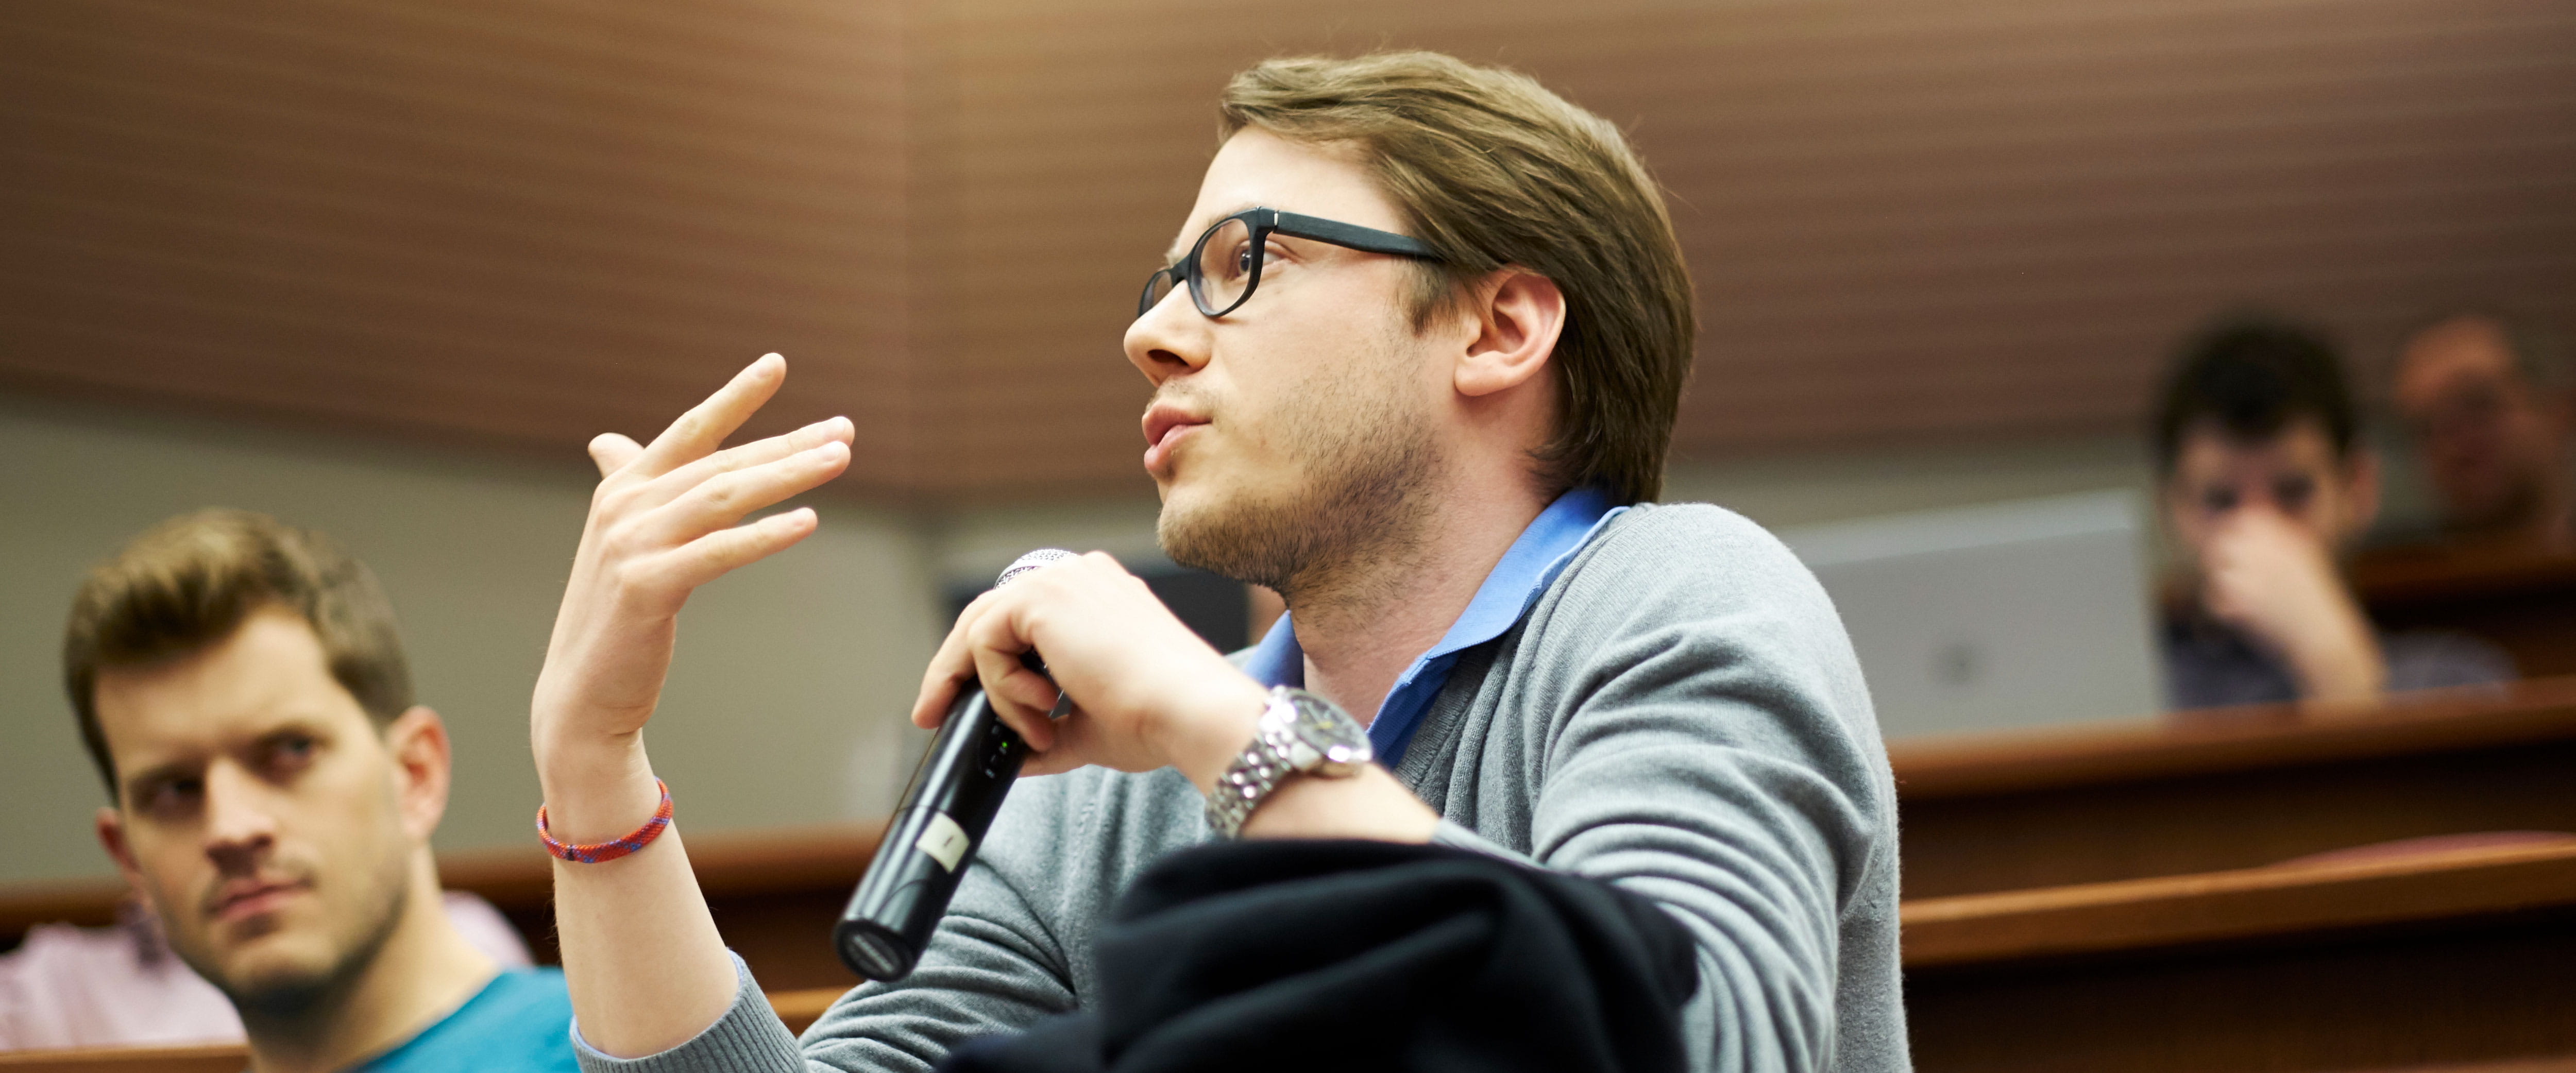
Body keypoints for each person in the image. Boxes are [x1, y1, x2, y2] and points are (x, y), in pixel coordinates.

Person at [533, 52, 1905, 1072]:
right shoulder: (1101, 798)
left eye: (1242, 265)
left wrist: (1213, 723)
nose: (1156, 336)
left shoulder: (1676, 596)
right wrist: (595, 766)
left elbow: (1703, 1042)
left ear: (1497, 329)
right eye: (1162, 287)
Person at [56, 508, 577, 1071]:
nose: (231, 828)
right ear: (130, 858)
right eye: (175, 789)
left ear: (414, 774)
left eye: (289, 751)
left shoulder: (614, 1048)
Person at [2152, 316, 2515, 710]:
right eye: (2221, 501)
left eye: (2293, 493)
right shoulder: (2132, 700)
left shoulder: (2456, 683)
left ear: (2359, 487)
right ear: (2172, 510)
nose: (2261, 530)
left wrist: (2332, 661)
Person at [2389, 311, 2575, 554]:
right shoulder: (2402, 579)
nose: (2454, 443)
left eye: (2478, 405)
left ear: (2556, 410)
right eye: (2428, 427)